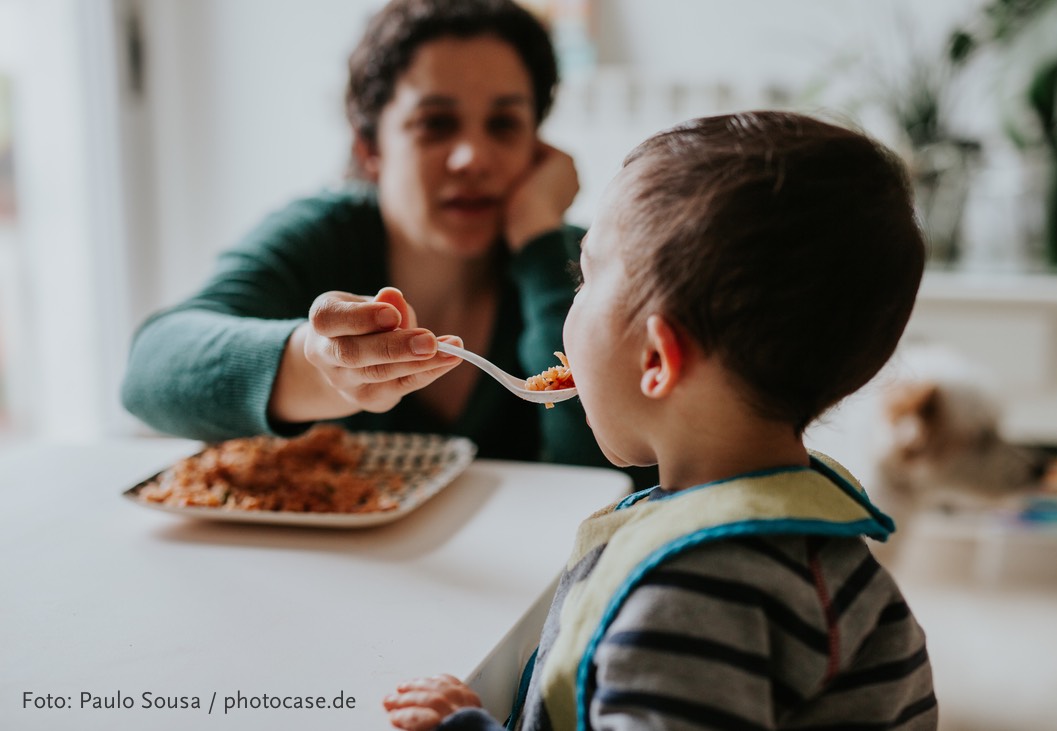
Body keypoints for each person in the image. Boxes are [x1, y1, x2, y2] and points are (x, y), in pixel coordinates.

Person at [382, 111, 938, 730]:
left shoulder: (691, 599)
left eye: (582, 277)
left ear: (655, 359)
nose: (570, 304)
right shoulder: (812, 535)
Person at [121, 0, 652, 482]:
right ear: (370, 147)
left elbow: (613, 480)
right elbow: (151, 371)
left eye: (504, 124)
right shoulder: (322, 234)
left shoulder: (574, 262)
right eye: (436, 124)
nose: (472, 157)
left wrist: (539, 238)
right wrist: (316, 365)